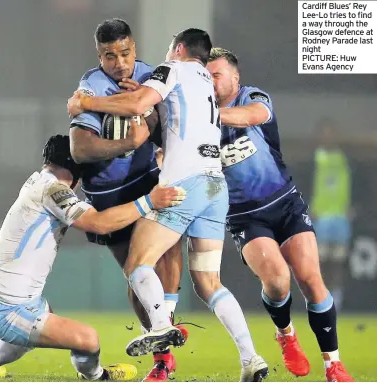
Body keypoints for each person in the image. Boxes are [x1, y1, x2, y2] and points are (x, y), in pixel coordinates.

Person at [68, 28, 269, 382]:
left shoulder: (170, 68)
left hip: (182, 185)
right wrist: (146, 98)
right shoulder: (206, 80)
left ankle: (160, 324)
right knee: (209, 283)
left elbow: (135, 105)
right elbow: (167, 108)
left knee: (138, 262)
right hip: (214, 186)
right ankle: (251, 358)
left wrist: (85, 103)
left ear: (178, 49)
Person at [0, 134, 185, 380]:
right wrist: (150, 200)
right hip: (10, 309)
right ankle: (98, 376)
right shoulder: (53, 191)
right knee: (88, 340)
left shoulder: (39, 182)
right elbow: (99, 223)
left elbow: (93, 213)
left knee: (29, 336)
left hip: (5, 298)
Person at [206, 47, 353, 382]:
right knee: (276, 278)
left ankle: (333, 365)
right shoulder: (199, 121)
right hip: (245, 217)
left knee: (311, 278)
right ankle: (285, 333)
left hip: (285, 203)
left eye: (216, 74)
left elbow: (253, 115)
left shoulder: (252, 97)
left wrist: (207, 114)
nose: (211, 82)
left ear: (235, 77)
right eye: (206, 76)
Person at [68, 18, 186, 382]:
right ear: (98, 55)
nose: (119, 63)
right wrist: (128, 143)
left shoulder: (154, 76)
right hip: (109, 195)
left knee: (166, 257)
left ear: (134, 49)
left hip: (149, 181)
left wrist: (149, 113)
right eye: (109, 56)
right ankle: (163, 350)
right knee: (136, 274)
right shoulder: (90, 87)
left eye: (124, 53)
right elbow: (80, 148)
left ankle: (163, 331)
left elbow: (176, 122)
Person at [311, 118, 352, 311]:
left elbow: (359, 183)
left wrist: (354, 206)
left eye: (331, 132)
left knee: (338, 262)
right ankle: (321, 299)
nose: (328, 136)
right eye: (324, 132)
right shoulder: (313, 159)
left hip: (341, 218)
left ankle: (338, 300)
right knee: (320, 261)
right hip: (321, 218)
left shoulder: (346, 158)